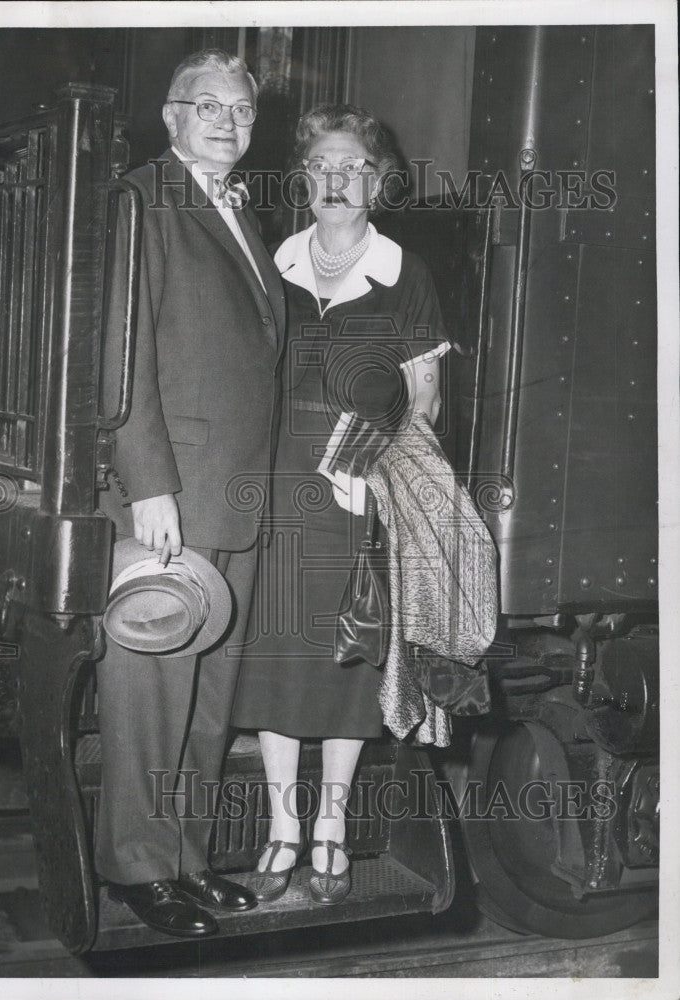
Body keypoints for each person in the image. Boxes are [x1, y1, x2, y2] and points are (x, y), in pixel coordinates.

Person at [232, 104, 450, 905]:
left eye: (353, 166)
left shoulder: (406, 273)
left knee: (343, 665)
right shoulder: (270, 264)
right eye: (322, 164)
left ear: (377, 182)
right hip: (277, 489)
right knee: (276, 665)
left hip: (359, 496)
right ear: (304, 178)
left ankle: (331, 823)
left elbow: (422, 402)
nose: (335, 179)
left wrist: (366, 466)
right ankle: (282, 827)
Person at [96, 49, 285, 937]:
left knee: (209, 697)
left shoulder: (241, 211)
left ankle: (187, 856)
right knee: (153, 687)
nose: (227, 121)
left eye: (242, 110)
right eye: (206, 106)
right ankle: (137, 865)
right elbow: (119, 358)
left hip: (239, 495)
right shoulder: (142, 198)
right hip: (171, 495)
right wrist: (149, 486)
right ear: (170, 116)